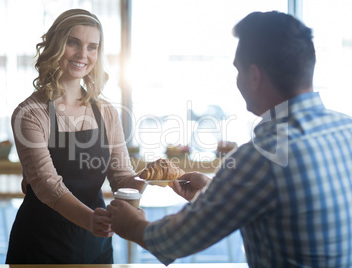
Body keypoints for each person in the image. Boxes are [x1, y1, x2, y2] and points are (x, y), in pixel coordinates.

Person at [106, 11, 352, 267]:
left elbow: (174, 241)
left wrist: (132, 224)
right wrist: (212, 192)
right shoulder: (345, 129)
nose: (237, 79)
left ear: (254, 76)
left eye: (238, 70)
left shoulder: (262, 157)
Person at [6, 9, 145, 264]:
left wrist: (146, 178)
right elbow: (48, 186)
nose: (83, 55)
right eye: (73, 43)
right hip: (40, 244)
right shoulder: (30, 113)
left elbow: (121, 176)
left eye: (92, 47)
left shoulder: (106, 111)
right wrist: (89, 219)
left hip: (96, 242)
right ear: (56, 45)